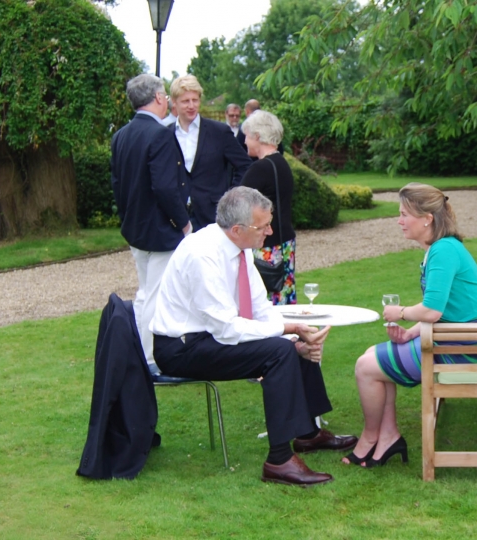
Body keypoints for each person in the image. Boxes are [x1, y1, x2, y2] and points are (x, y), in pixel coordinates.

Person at [151, 186, 357, 486]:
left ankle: (308, 434)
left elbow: (261, 310)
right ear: (237, 229)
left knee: (288, 345)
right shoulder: (202, 255)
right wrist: (289, 332)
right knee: (279, 350)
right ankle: (279, 461)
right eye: (263, 226)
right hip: (181, 349)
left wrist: (297, 339)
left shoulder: (239, 248)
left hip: (208, 338)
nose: (270, 231)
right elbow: (227, 328)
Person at [344, 183, 477, 468]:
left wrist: (399, 312)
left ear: (427, 218)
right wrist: (411, 333)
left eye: (404, 214)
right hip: (456, 338)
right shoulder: (441, 248)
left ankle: (371, 437)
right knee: (369, 357)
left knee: (365, 368)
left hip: (461, 349)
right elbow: (446, 309)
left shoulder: (443, 251)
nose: (399, 221)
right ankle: (387, 437)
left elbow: (433, 310)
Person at [110, 73, 192, 374]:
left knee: (146, 292)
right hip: (160, 228)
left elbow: (117, 184)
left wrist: (128, 218)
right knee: (157, 293)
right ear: (159, 98)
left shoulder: (120, 135)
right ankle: (152, 359)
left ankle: (144, 353)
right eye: (166, 97)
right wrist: (183, 224)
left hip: (135, 227)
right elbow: (165, 187)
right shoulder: (159, 134)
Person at [169, 75, 251, 229]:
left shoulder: (219, 132)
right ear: (174, 102)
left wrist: (231, 197)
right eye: (186, 101)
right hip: (177, 217)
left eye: (195, 100)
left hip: (213, 214)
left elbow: (244, 165)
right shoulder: (166, 135)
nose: (191, 105)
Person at [240, 111, 296, 305]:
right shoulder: (282, 163)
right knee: (283, 298)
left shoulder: (260, 169)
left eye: (247, 135)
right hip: (284, 243)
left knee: (263, 303)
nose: (245, 141)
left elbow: (239, 208)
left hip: (265, 245)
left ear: (257, 136)